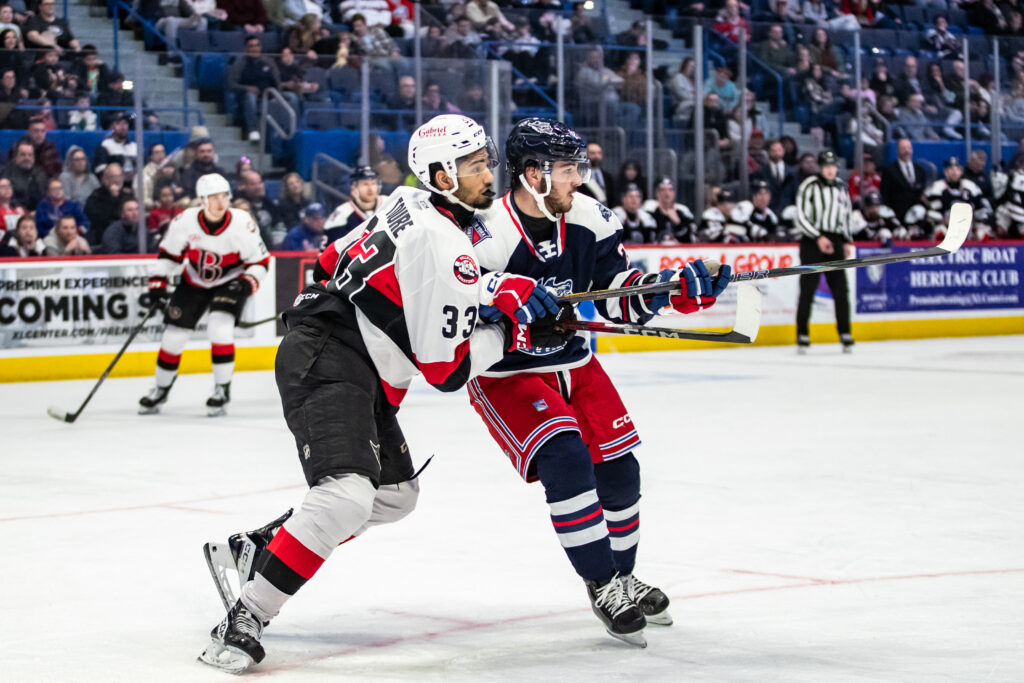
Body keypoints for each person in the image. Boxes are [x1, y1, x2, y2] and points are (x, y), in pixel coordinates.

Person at [197, 115, 568, 673]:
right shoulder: (443, 240)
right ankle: (245, 616)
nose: (487, 174)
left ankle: (263, 549)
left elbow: (353, 266)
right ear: (442, 177)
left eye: (485, 161)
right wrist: (508, 331)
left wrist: (494, 289)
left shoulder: (410, 203)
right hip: (330, 352)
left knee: (393, 495)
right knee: (346, 495)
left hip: (350, 353)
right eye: (474, 166)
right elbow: (445, 371)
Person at [467, 117, 731, 647]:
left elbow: (619, 294)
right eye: (567, 170)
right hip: (507, 373)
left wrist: (670, 291)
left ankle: (625, 575)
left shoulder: (589, 217)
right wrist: (501, 299)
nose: (577, 180)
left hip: (575, 362)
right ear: (532, 175)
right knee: (566, 456)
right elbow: (456, 303)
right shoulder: (484, 228)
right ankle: (603, 583)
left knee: (620, 466)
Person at [139, 173, 269, 416]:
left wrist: (246, 283)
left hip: (230, 282)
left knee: (219, 329)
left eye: (224, 196)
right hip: (193, 282)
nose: (220, 203)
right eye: (213, 197)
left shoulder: (242, 223)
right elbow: (169, 256)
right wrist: (157, 286)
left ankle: (221, 390)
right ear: (201, 200)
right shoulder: (185, 221)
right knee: (173, 337)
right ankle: (160, 389)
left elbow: (261, 262)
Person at [794, 150, 854, 354]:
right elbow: (800, 216)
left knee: (840, 289)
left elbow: (846, 215)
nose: (830, 169)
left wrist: (846, 240)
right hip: (812, 240)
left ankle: (845, 332)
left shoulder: (841, 186)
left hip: (835, 240)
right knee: (808, 288)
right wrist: (818, 237)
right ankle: (802, 333)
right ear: (820, 167)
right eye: (826, 166)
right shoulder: (809, 185)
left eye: (833, 166)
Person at [227, 36, 281, 142]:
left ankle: (293, 129)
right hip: (247, 97)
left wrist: (277, 95)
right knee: (250, 96)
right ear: (245, 49)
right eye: (251, 46)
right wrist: (247, 88)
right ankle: (254, 130)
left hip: (269, 95)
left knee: (292, 98)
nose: (254, 49)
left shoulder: (269, 62)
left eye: (257, 45)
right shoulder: (239, 64)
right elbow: (231, 84)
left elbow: (277, 82)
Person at [924, 156, 992, 240]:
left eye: (957, 169)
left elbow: (981, 208)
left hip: (968, 229)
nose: (954, 172)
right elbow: (931, 211)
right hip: (946, 229)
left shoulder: (970, 187)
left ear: (961, 171)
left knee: (982, 231)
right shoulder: (938, 188)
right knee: (938, 229)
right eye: (951, 169)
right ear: (945, 172)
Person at [324, 165, 386, 243]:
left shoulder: (389, 203)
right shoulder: (342, 212)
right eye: (365, 184)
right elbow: (329, 249)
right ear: (354, 187)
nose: (370, 189)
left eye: (373, 183)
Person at [881, 138, 928, 225]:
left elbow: (923, 192)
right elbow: (885, 195)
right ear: (897, 150)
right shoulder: (889, 171)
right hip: (898, 216)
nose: (907, 151)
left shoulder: (920, 170)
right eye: (903, 148)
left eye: (909, 148)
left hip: (918, 216)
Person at [85, 163, 134, 245]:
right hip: (102, 237)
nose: (116, 180)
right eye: (113, 177)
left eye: (119, 176)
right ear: (105, 179)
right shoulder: (96, 196)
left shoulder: (128, 195)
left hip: (127, 237)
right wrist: (114, 198)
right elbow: (100, 219)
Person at [642, 177, 697, 243]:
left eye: (670, 190)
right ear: (657, 193)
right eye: (663, 190)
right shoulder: (649, 212)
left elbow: (691, 240)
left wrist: (678, 223)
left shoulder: (683, 212)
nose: (667, 193)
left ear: (674, 193)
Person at [2, 141, 47, 211]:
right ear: (16, 156)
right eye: (23, 154)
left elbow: (44, 198)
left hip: (36, 214)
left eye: (30, 155)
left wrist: (37, 211)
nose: (27, 158)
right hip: (13, 212)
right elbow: (5, 198)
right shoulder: (7, 173)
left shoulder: (40, 174)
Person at [93, 113, 139, 177]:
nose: (123, 126)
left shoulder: (134, 146)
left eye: (125, 123)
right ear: (112, 127)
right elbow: (99, 169)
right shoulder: (105, 145)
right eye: (118, 123)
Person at [578, 142, 616, 207]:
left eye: (599, 153)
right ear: (586, 155)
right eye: (592, 153)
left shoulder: (608, 177)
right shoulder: (580, 177)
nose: (596, 156)